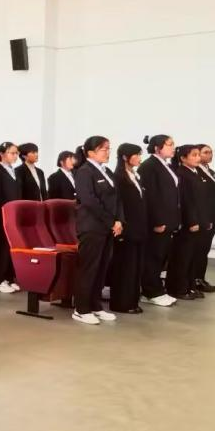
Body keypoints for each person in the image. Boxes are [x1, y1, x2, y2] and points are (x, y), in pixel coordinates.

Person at [72, 136, 122, 325]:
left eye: (109, 148)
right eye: (103, 149)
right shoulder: (84, 172)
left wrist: (119, 220)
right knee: (89, 268)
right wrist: (111, 221)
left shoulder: (106, 171)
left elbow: (117, 198)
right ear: (90, 152)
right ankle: (81, 309)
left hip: (108, 227)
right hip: (92, 227)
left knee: (101, 268)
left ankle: (95, 305)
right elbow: (90, 201)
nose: (107, 152)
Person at [137, 135, 179, 307]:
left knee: (161, 256)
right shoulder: (149, 166)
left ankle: (156, 288)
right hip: (158, 221)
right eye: (169, 145)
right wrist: (156, 221)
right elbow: (151, 197)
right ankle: (150, 291)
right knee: (153, 256)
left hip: (169, 219)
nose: (173, 148)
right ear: (157, 148)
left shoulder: (165, 165)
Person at [166, 145, 210, 301]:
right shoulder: (182, 174)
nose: (198, 158)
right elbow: (186, 201)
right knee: (182, 257)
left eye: (199, 154)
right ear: (183, 158)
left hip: (199, 221)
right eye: (194, 155)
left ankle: (190, 286)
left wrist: (205, 220)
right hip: (187, 223)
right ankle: (178, 288)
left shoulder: (195, 173)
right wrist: (192, 221)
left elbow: (201, 201)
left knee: (192, 257)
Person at [109, 143, 146, 314]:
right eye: (136, 155)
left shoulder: (135, 175)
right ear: (125, 157)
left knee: (135, 266)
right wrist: (120, 223)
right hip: (127, 227)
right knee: (124, 266)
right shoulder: (118, 177)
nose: (139, 158)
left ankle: (132, 300)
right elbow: (119, 203)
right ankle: (121, 302)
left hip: (138, 226)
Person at [0, 141, 21, 294]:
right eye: (12, 153)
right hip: (2, 214)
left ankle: (8, 278)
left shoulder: (14, 171)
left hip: (14, 214)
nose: (15, 156)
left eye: (16, 153)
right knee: (1, 247)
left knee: (10, 247)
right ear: (2, 154)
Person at [196, 145, 215, 293]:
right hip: (205, 217)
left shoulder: (210, 171)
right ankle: (196, 279)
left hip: (214, 215)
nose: (210, 155)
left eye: (211, 152)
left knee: (205, 249)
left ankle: (200, 277)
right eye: (206, 152)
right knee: (200, 249)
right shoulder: (196, 172)